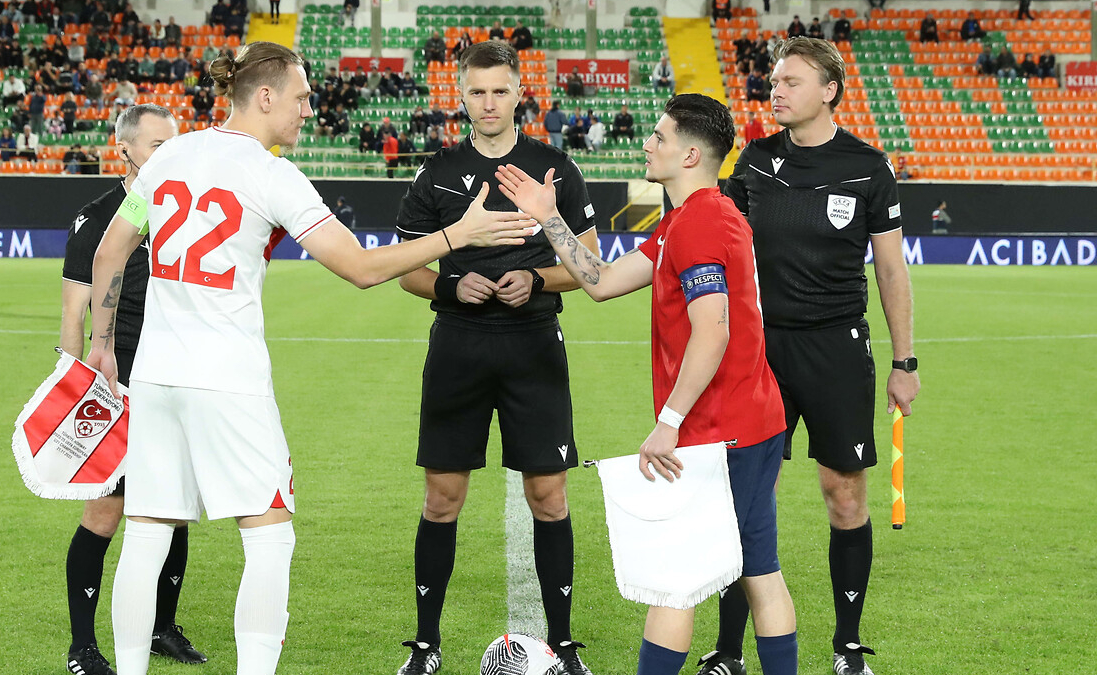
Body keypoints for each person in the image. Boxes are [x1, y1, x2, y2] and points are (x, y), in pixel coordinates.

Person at [82, 40, 531, 675]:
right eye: (300, 97)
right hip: (227, 380)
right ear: (264, 97)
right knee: (268, 535)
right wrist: (460, 233)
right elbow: (363, 267)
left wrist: (102, 347)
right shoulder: (270, 174)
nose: (307, 110)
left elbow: (109, 253)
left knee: (148, 531)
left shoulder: (171, 154)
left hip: (154, 375)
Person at [494, 91, 799, 675]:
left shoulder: (702, 222)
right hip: (751, 421)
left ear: (689, 155)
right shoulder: (688, 220)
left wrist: (669, 423)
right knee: (760, 570)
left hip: (719, 432)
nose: (646, 143)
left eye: (658, 137)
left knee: (675, 583)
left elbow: (712, 331)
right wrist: (549, 218)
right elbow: (602, 282)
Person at [709, 37, 920, 675]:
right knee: (745, 495)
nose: (776, 91)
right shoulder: (754, 159)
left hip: (836, 347)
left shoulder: (867, 167)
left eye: (791, 82)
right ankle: (727, 650)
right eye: (774, 81)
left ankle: (847, 644)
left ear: (828, 91)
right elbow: (722, 247)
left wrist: (904, 363)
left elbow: (890, 270)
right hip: (758, 352)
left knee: (844, 494)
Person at [392, 40, 598, 675]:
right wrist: (451, 285)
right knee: (442, 498)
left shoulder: (552, 165)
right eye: (476, 91)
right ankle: (426, 647)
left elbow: (588, 266)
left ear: (519, 93)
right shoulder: (437, 172)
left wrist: (537, 280)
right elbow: (407, 271)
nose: (488, 103)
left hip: (534, 344)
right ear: (461, 96)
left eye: (499, 91)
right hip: (458, 344)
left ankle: (562, 647)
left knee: (549, 495)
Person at [58, 105, 206, 675]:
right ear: (124, 150)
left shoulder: (185, 211)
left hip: (178, 378)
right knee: (105, 514)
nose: (167, 155)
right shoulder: (95, 219)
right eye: (155, 146)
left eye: (173, 144)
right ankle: (82, 647)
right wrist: (75, 387)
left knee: (175, 508)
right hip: (115, 387)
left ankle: (161, 628)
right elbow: (74, 311)